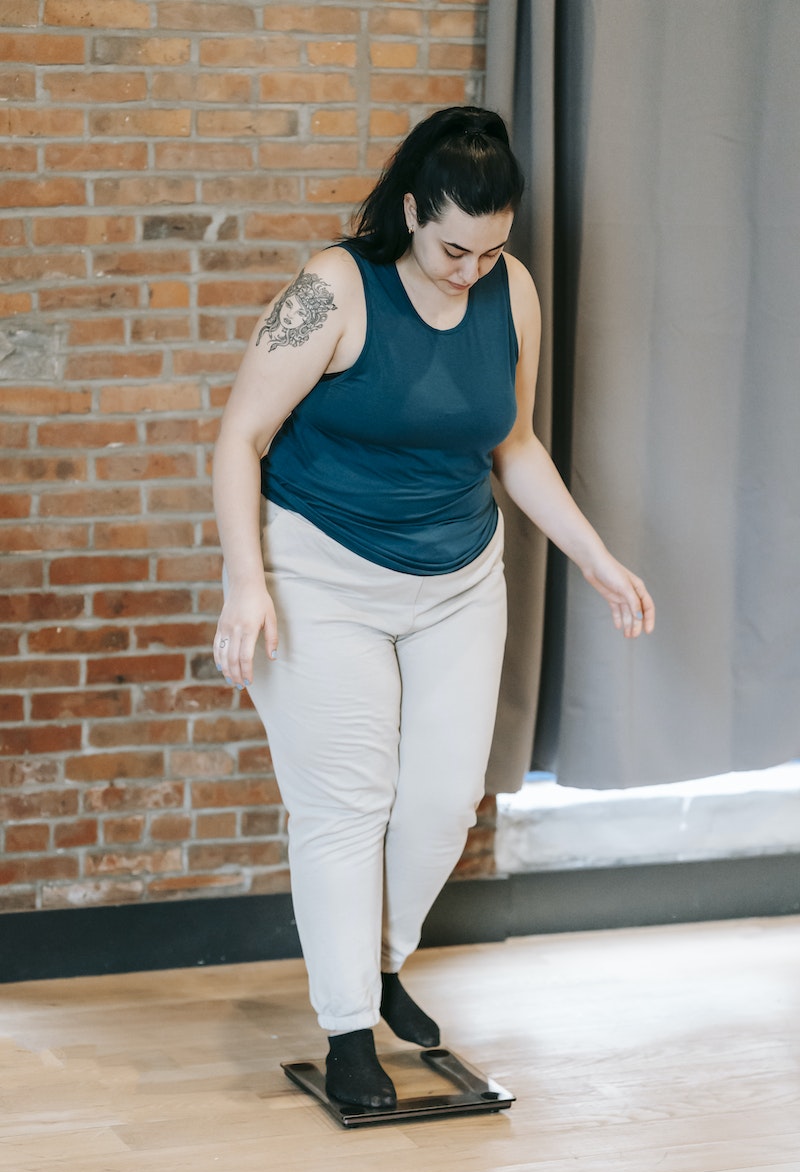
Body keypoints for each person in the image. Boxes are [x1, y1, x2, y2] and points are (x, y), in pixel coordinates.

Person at [212, 106, 655, 1110]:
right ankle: (345, 1035)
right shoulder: (334, 289)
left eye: (490, 251)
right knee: (344, 807)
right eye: (453, 247)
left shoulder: (512, 291)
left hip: (457, 572)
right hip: (317, 571)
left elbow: (513, 443)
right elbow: (240, 433)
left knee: (441, 803)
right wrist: (248, 580)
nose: (469, 270)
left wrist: (594, 557)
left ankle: (378, 967)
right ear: (411, 211)